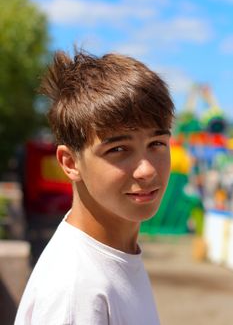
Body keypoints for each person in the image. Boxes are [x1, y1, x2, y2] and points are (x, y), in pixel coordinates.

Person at [15, 49, 174, 324]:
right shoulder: (76, 291)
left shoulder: (116, 255)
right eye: (119, 149)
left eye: (157, 144)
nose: (147, 169)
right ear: (70, 162)